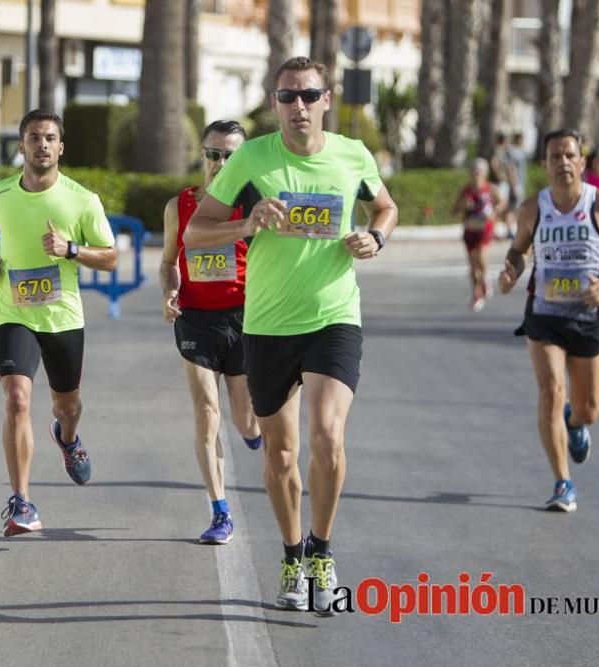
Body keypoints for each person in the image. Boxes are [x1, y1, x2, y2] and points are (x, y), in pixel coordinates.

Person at [185, 56, 398, 615]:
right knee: (281, 455)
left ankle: (322, 553)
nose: (297, 106)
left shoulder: (353, 154)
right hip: (268, 324)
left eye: (308, 95)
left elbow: (386, 206)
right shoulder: (252, 159)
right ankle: (291, 554)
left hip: (334, 315)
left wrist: (376, 237)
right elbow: (196, 232)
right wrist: (246, 224)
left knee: (328, 436)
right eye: (286, 96)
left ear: (327, 98)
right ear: (274, 101)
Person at [0, 109, 118, 536]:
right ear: (21, 145)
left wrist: (71, 249)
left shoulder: (82, 200)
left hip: (62, 318)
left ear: (61, 147)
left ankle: (68, 438)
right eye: (34, 137)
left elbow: (110, 258)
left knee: (65, 405)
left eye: (50, 138)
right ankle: (22, 502)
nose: (42, 144)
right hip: (14, 314)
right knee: (16, 400)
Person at [497, 129, 599, 513]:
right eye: (555, 156)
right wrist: (511, 272)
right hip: (544, 315)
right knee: (550, 392)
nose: (563, 162)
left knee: (589, 408)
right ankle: (563, 482)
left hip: (588, 317)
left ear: (581, 162)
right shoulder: (532, 208)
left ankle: (576, 422)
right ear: (545, 165)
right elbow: (518, 252)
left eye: (569, 155)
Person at [160, 120, 262, 546]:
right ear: (203, 156)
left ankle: (255, 433)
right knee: (206, 412)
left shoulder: (251, 206)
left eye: (231, 156)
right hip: (196, 319)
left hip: (243, 318)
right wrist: (170, 292)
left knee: (244, 420)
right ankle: (220, 510)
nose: (221, 163)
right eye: (214, 154)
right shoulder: (179, 206)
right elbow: (169, 262)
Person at [452, 158, 505, 311]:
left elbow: (501, 202)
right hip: (470, 228)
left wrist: (494, 212)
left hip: (485, 227)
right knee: (472, 265)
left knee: (481, 254)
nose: (476, 174)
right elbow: (455, 209)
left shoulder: (490, 188)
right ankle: (476, 294)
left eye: (479, 171)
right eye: (474, 170)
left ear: (485, 173)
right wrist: (464, 205)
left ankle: (486, 277)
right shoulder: (466, 190)